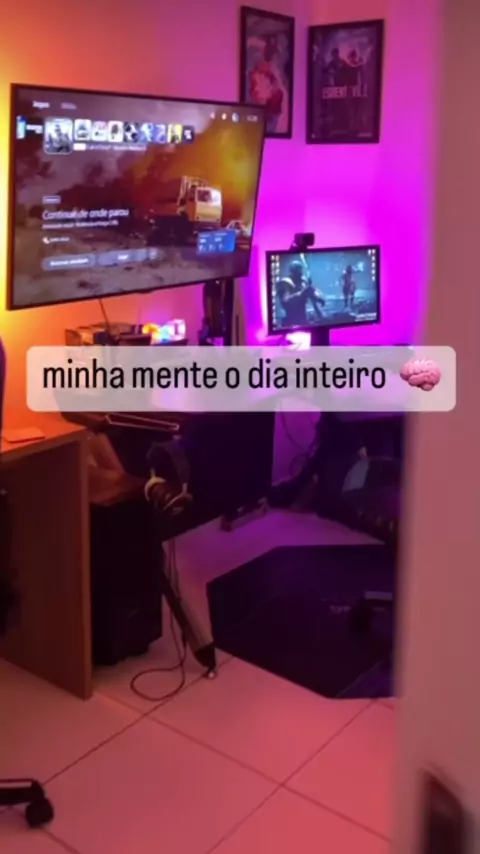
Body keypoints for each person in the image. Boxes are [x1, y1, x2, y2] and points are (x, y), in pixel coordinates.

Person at [277, 260, 325, 327]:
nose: (301, 274)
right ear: (293, 272)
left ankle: (322, 318)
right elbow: (286, 301)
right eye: (298, 272)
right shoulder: (285, 283)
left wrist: (318, 297)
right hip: (291, 318)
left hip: (303, 319)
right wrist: (302, 293)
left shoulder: (302, 281)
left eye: (301, 271)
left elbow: (311, 293)